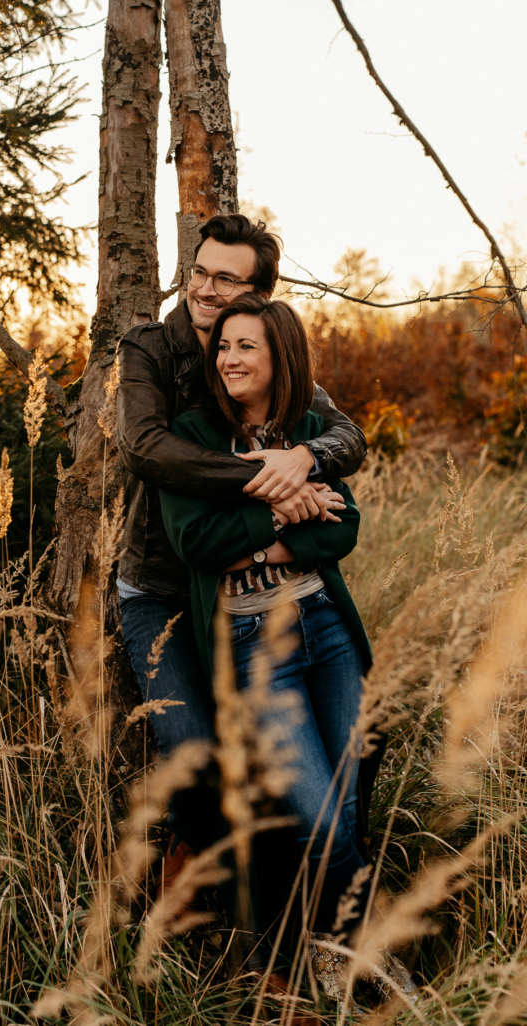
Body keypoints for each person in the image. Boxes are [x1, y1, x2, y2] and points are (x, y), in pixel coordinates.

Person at [158, 295, 417, 1004]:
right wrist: (281, 505)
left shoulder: (307, 432)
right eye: (223, 347)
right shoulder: (191, 435)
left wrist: (268, 539)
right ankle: (371, 961)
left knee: (348, 799)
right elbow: (196, 543)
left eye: (246, 346)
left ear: (280, 356)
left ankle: (320, 954)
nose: (230, 358)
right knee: (319, 816)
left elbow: (342, 526)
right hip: (250, 643)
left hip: (326, 627)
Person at [116, 214, 367, 860]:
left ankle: (321, 890)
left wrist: (306, 460)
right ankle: (191, 874)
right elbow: (145, 446)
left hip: (241, 594)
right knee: (196, 749)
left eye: (225, 280)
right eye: (199, 271)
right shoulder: (151, 348)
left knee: (331, 754)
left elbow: (345, 436)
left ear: (256, 294)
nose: (203, 289)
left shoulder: (258, 348)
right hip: (163, 585)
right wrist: (272, 478)